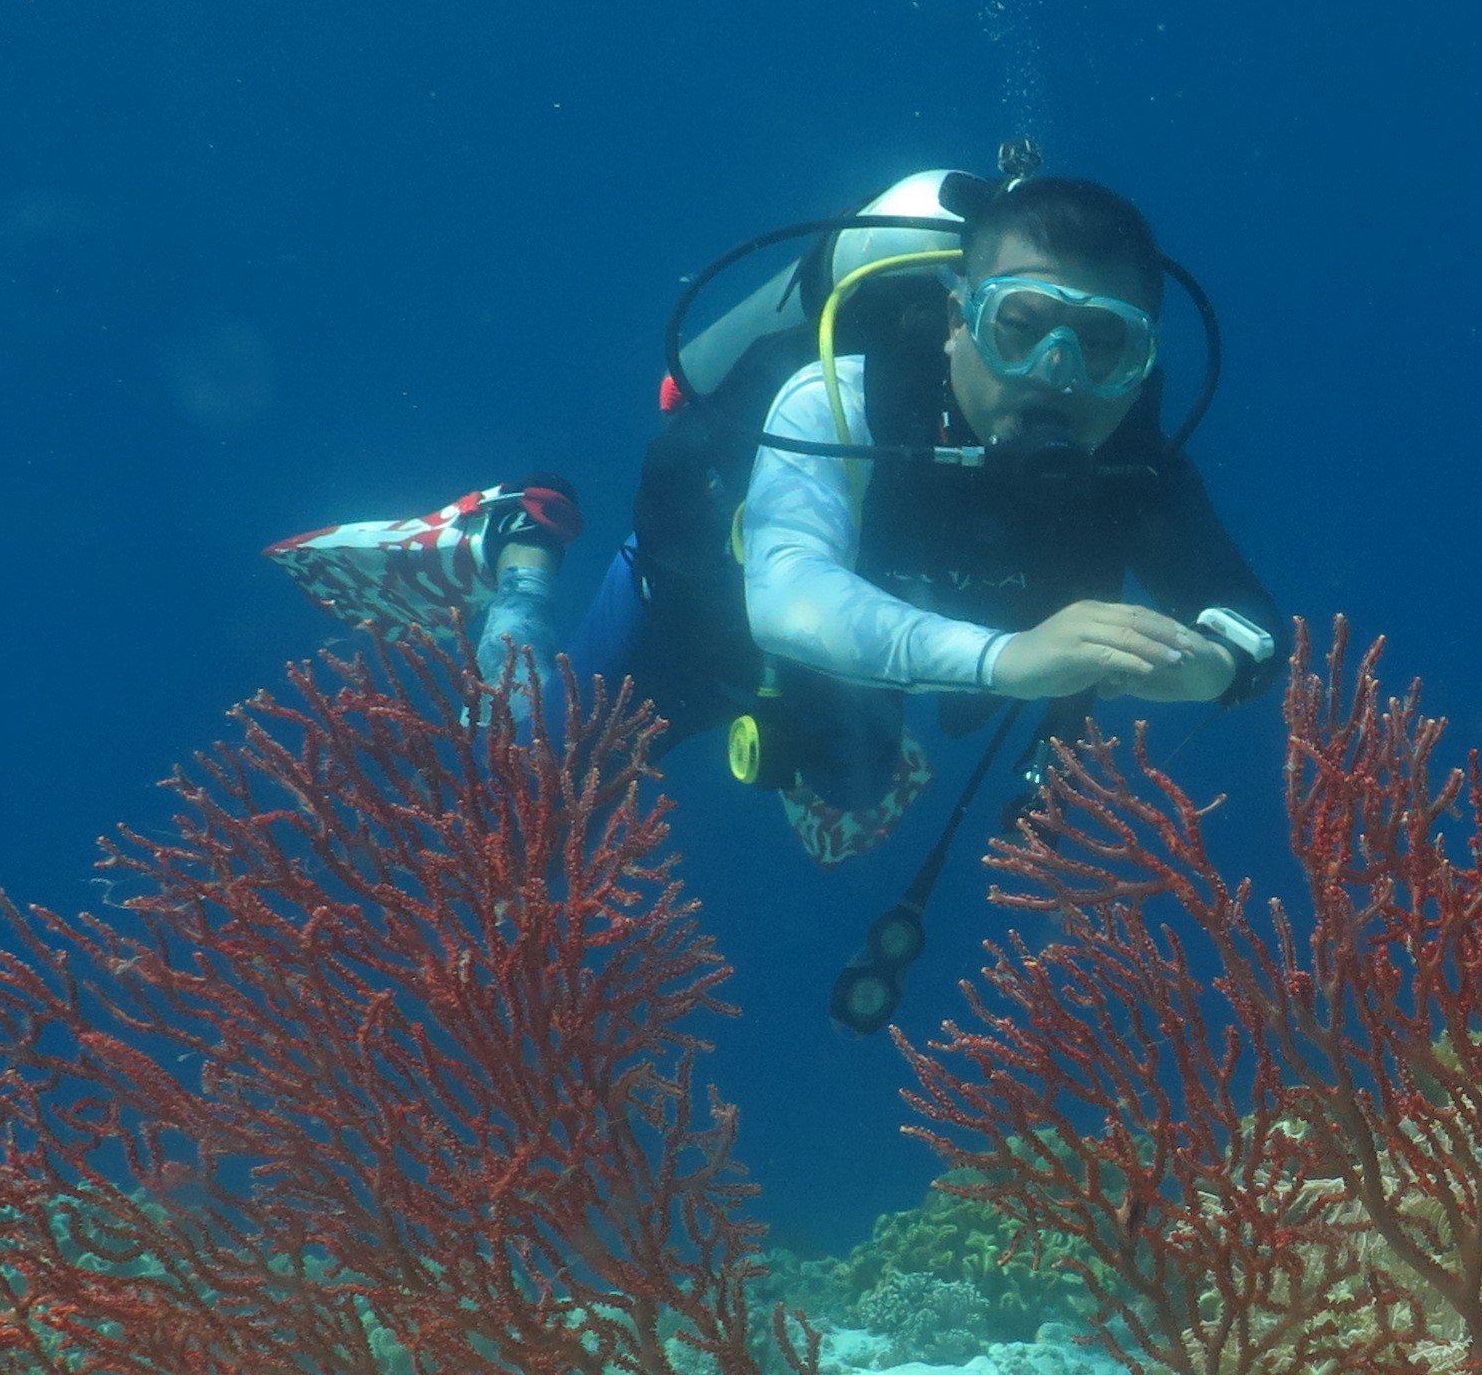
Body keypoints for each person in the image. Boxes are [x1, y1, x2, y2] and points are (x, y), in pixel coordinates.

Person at [476, 164, 1286, 875]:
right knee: (527, 793)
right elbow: (790, 597)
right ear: (956, 319)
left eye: (1102, 343)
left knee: (855, 786)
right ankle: (520, 553)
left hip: (863, 663)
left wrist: (1214, 669)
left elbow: (1247, 623)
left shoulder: (1130, 464)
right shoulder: (837, 396)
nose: (1057, 375)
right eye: (1020, 326)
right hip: (703, 618)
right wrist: (1011, 659)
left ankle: (841, 749)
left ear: (1141, 361)